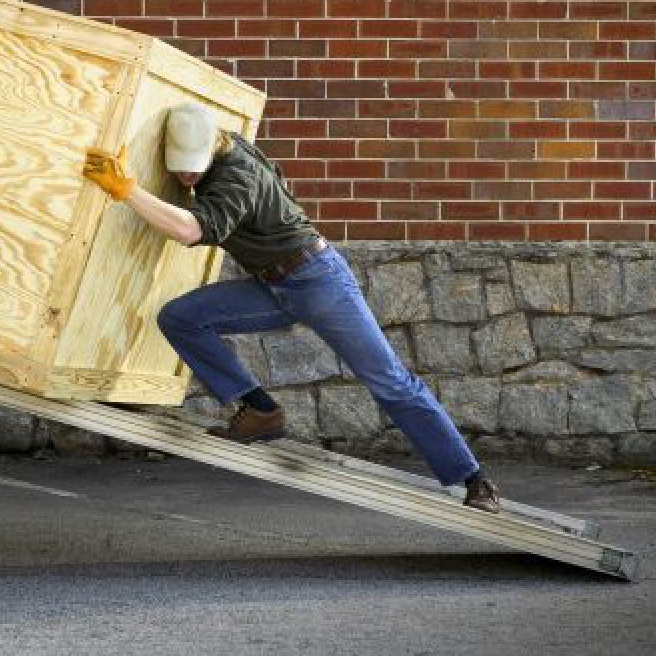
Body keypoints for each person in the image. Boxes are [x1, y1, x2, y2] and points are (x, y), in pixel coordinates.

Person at [81, 103, 500, 513]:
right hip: (273, 285)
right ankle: (261, 411)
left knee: (390, 382)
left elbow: (191, 231)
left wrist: (127, 190)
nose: (187, 174)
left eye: (194, 163)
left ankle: (473, 478)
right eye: (179, 165)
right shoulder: (229, 147)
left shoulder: (236, 176)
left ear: (214, 146)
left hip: (319, 282)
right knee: (180, 318)